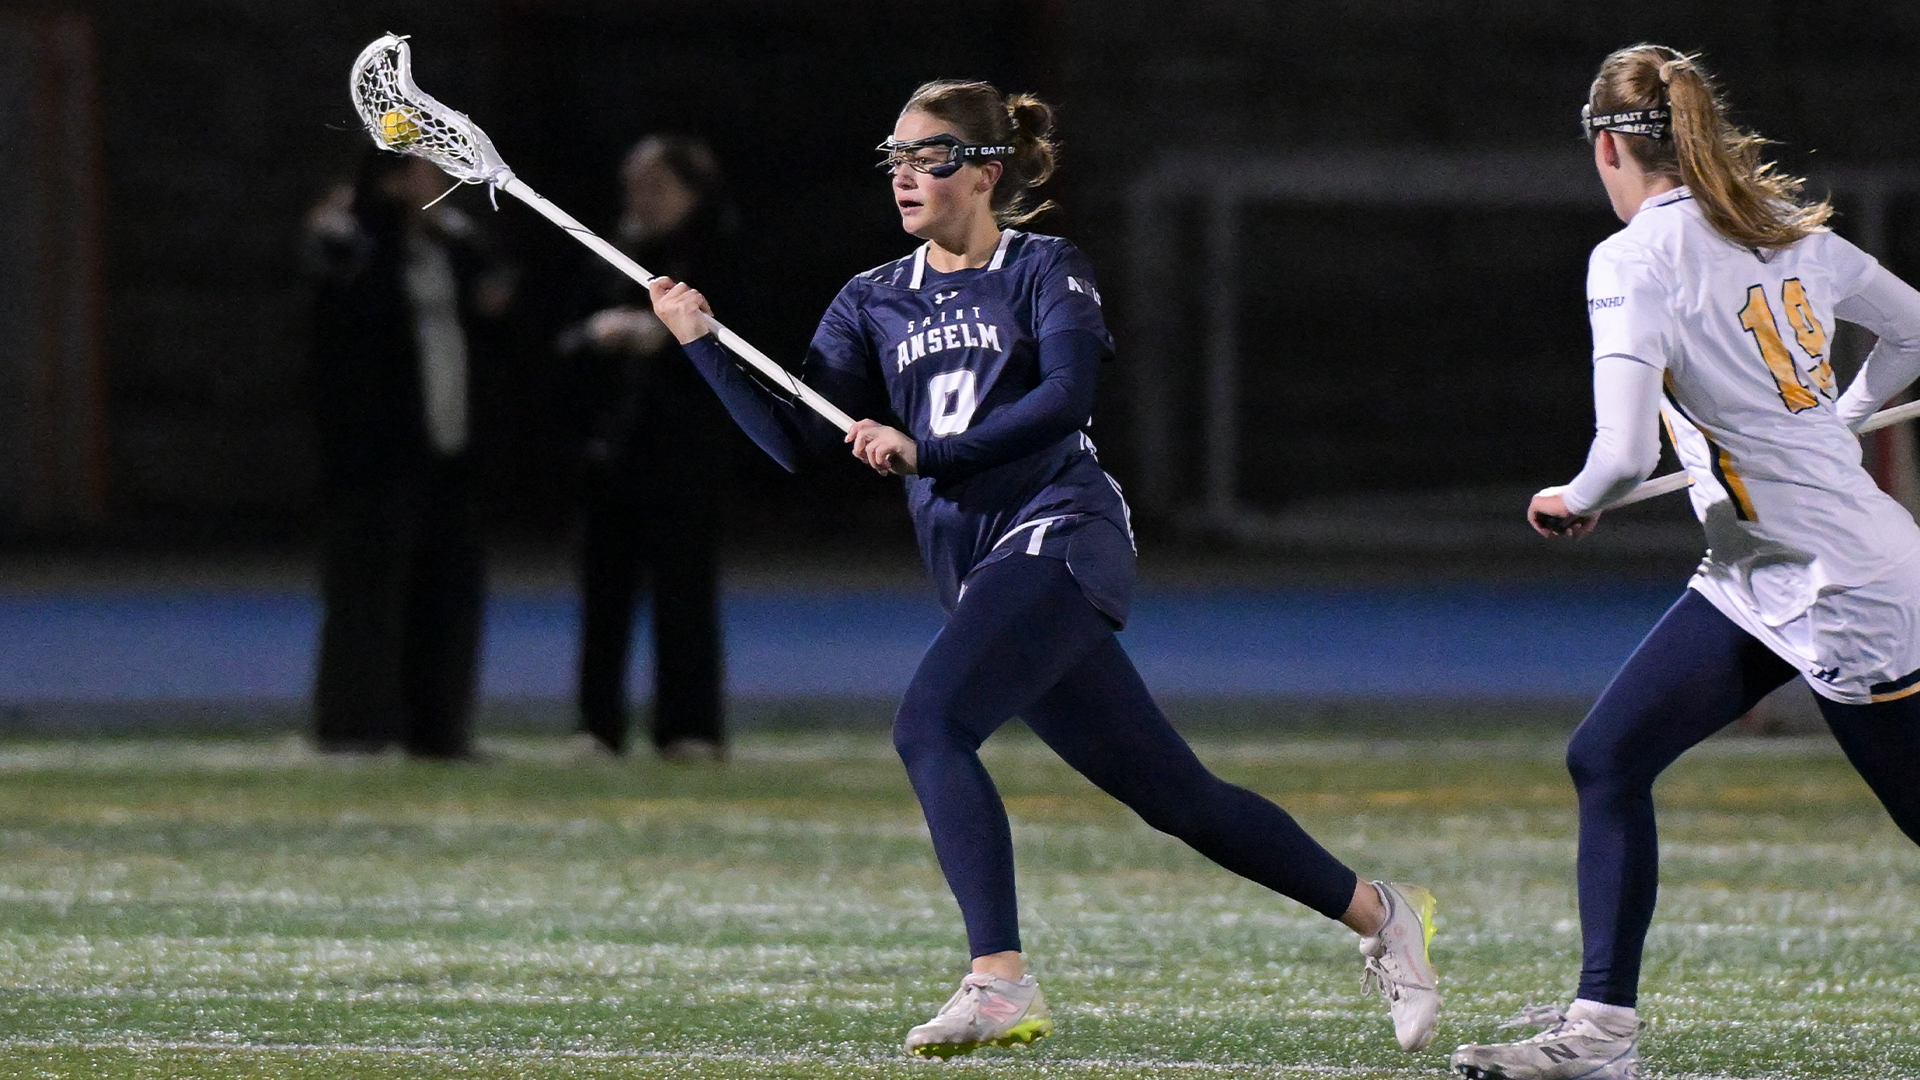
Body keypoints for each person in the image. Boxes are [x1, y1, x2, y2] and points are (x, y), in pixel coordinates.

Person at [646, 79, 1440, 1059]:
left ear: (985, 170)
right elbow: (795, 442)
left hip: (1061, 533)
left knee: (931, 725)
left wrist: (929, 452)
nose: (905, 175)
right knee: (1176, 797)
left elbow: (1064, 398)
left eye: (929, 156)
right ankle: (1382, 913)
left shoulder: (1043, 267)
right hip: (980, 571)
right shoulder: (871, 299)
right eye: (895, 157)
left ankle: (999, 980)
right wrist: (701, 346)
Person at [1450, 45, 1920, 1080]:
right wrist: (1840, 416)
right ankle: (1601, 1036)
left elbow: (1623, 456)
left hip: (1844, 590)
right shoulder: (1785, 227)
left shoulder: (1632, 259)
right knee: (1608, 757)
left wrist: (1574, 501)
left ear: (1607, 146)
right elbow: (1914, 333)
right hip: (1757, 572)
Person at [305, 149, 513, 760]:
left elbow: (495, 307)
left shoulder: (452, 246)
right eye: (426, 173)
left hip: (451, 446)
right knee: (368, 593)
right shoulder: (352, 242)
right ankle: (357, 726)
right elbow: (343, 320)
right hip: (378, 454)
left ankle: (440, 728)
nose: (441, 185)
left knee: (448, 591)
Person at [558, 136, 734, 760]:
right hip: (611, 452)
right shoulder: (611, 255)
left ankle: (690, 728)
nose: (640, 199)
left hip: (684, 452)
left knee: (684, 593)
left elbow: (748, 347)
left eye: (656, 186)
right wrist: (594, 334)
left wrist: (674, 340)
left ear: (692, 191)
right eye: (633, 186)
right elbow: (562, 342)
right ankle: (597, 726)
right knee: (603, 594)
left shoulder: (717, 254)